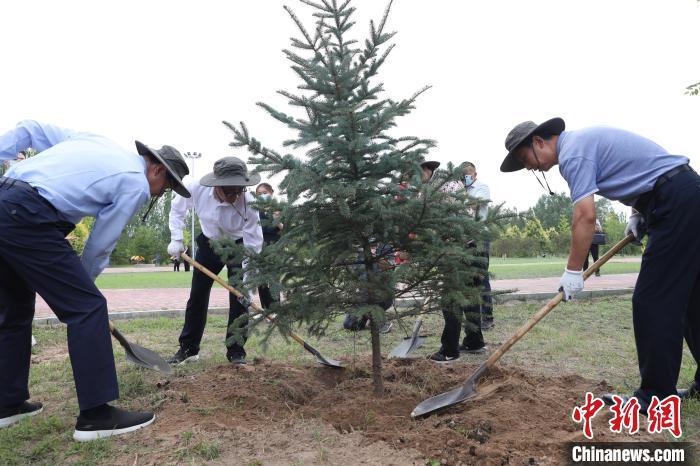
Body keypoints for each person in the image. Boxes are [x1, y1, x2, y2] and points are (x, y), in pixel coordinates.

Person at [0, 120, 190, 440]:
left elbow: (30, 128)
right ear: (157, 170)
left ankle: (7, 403)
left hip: (5, 200)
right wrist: (84, 287)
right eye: (166, 187)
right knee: (87, 307)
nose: (159, 193)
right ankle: (96, 416)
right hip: (30, 216)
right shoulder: (136, 183)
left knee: (15, 308)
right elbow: (101, 243)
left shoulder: (93, 141)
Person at [501, 117, 700, 411]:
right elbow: (639, 170)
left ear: (539, 142)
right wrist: (639, 212)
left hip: (676, 200)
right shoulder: (583, 144)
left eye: (524, 158)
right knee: (691, 299)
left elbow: (585, 218)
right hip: (682, 193)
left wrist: (572, 271)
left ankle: (655, 397)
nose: (529, 166)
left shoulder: (573, 153)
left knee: (652, 300)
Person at [168, 157, 263, 365]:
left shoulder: (250, 203)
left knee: (239, 299)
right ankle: (189, 348)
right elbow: (177, 209)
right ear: (216, 185)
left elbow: (253, 243)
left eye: (239, 190)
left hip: (239, 247)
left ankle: (236, 350)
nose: (235, 196)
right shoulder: (196, 188)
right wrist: (176, 238)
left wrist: (248, 280)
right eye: (229, 191)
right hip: (209, 243)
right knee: (197, 296)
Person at [430, 162, 489, 362]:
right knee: (470, 296)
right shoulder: (452, 186)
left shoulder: (442, 185)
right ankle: (474, 342)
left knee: (451, 298)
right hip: (468, 245)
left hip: (464, 246)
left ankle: (449, 351)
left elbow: (464, 210)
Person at [255, 182, 283, 309]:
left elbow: (284, 229)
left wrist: (275, 217)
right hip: (259, 247)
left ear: (271, 193)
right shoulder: (254, 210)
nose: (262, 195)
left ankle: (276, 308)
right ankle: (265, 309)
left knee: (274, 278)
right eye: (259, 194)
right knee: (261, 279)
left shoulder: (279, 208)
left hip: (275, 247)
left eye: (265, 193)